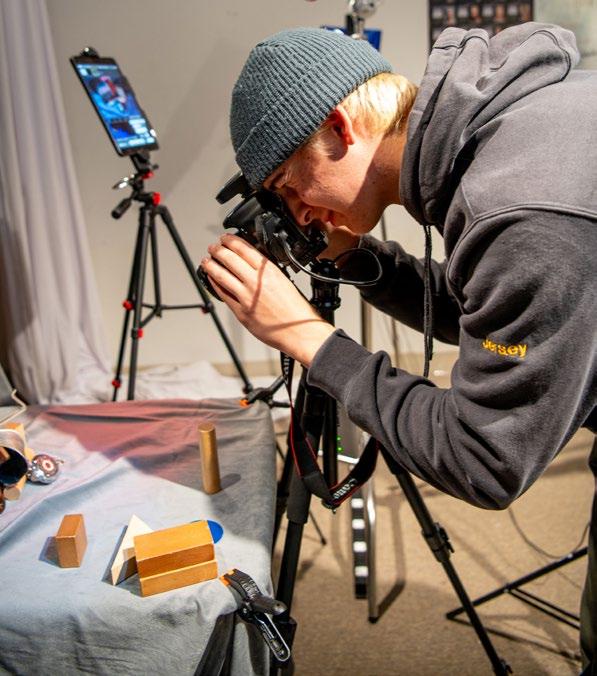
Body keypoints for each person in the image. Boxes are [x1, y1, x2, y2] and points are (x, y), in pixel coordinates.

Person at [201, 24, 597, 672]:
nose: (299, 214)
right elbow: (490, 312)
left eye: (288, 184)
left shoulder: (519, 211)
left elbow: (484, 458)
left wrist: (306, 337)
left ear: (337, 129)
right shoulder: (500, 134)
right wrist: (355, 258)